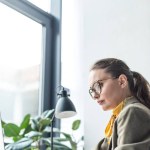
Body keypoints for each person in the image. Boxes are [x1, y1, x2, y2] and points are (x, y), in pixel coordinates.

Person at [88, 58, 150, 150]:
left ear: (122, 81)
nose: (95, 95)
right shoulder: (119, 116)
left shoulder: (133, 111)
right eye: (92, 90)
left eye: (98, 86)